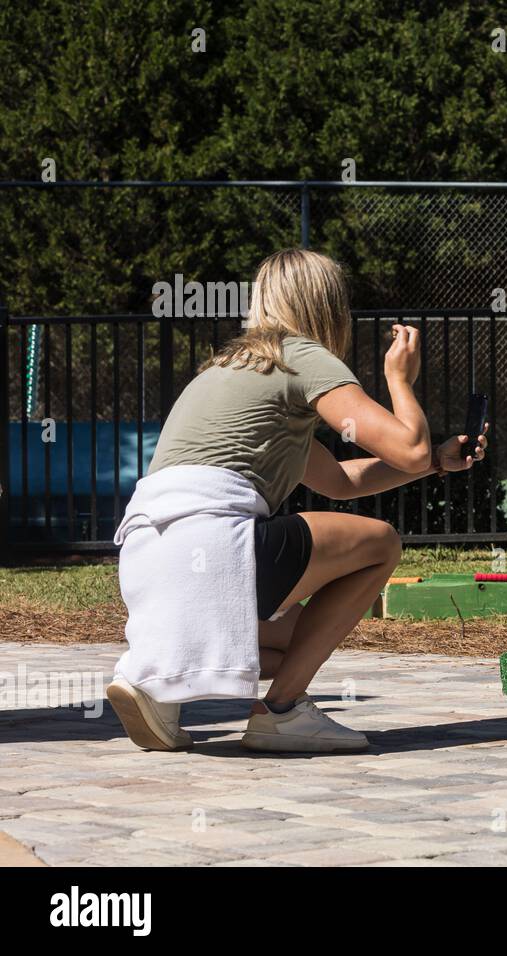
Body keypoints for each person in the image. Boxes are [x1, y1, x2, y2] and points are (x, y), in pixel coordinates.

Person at [106, 249, 487, 753]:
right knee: (380, 543)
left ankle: (154, 680)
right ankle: (282, 712)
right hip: (214, 542)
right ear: (328, 307)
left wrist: (436, 462)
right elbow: (408, 447)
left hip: (147, 561)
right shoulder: (301, 355)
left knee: (299, 638)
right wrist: (401, 381)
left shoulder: (231, 369)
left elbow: (340, 481)